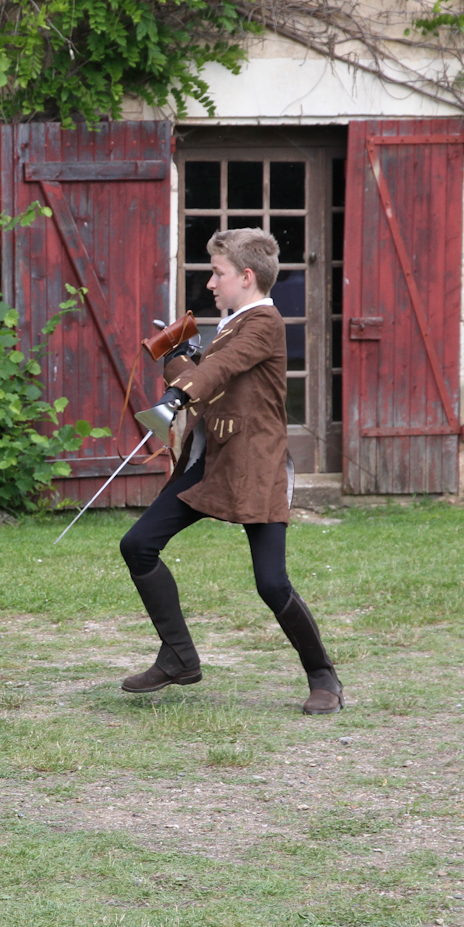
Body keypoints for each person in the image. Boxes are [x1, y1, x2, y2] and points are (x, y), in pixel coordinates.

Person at [118, 228, 343, 714]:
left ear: (245, 276)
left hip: (255, 467)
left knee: (271, 583)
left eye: (217, 273)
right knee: (138, 545)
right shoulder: (230, 325)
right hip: (210, 461)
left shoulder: (264, 323)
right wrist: (176, 360)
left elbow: (218, 371)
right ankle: (179, 657)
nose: (210, 282)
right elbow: (209, 379)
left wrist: (179, 391)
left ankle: (323, 677)